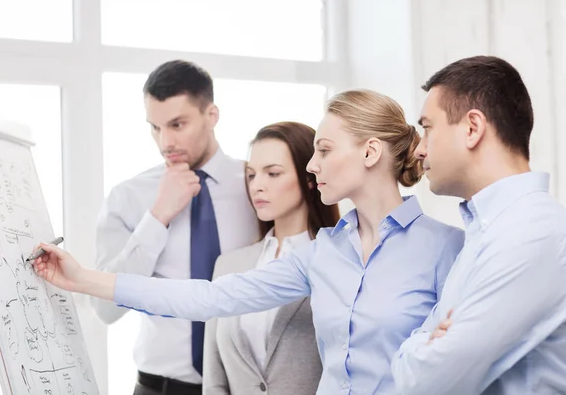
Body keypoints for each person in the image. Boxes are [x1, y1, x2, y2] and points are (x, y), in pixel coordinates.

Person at [33, 89, 465, 394]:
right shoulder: (324, 254)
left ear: (370, 153)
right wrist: (84, 279)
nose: (312, 165)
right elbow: (207, 298)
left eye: (325, 150)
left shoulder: (447, 249)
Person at [391, 55, 566, 395]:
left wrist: (421, 346)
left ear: (472, 128)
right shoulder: (490, 229)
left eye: (427, 129)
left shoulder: (533, 231)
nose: (419, 151)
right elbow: (412, 370)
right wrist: (423, 345)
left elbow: (427, 384)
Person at [91, 60, 259, 395]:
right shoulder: (129, 197)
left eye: (177, 124)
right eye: (155, 127)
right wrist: (157, 217)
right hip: (160, 388)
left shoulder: (257, 187)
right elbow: (106, 310)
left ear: (211, 116)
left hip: (246, 385)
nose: (165, 142)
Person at [203, 121, 340, 394]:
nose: (257, 186)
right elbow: (214, 379)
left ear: (310, 179)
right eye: (252, 175)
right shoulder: (228, 266)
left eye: (273, 174)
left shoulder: (337, 262)